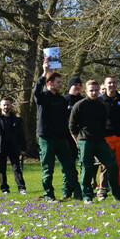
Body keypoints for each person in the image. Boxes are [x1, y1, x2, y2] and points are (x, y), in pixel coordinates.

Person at [69, 79, 120, 203]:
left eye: (95, 90)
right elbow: (72, 126)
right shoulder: (80, 105)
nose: (93, 93)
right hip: (85, 140)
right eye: (91, 91)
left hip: (100, 140)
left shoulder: (101, 106)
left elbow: (103, 123)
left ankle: (117, 195)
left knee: (112, 165)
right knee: (87, 168)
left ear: (99, 91)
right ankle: (87, 196)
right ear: (86, 91)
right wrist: (77, 141)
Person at [33, 61, 80, 200]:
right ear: (50, 84)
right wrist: (44, 72)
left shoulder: (62, 99)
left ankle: (78, 193)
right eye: (58, 82)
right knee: (48, 169)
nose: (61, 84)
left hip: (61, 138)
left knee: (69, 167)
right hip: (46, 139)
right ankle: (49, 195)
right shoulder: (42, 98)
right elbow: (36, 91)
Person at [0, 97, 28, 195]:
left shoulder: (17, 120)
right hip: (0, 148)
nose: (6, 106)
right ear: (0, 106)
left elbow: (21, 135)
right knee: (2, 170)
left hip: (13, 147)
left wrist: (23, 148)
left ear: (11, 106)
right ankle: (4, 189)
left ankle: (21, 188)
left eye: (8, 104)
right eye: (4, 105)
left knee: (17, 168)